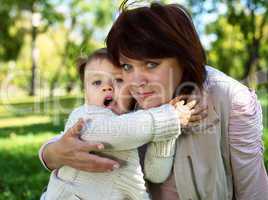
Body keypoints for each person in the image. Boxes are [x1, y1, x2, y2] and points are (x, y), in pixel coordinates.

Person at [39, 1, 268, 200]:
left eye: (151, 64)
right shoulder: (126, 95)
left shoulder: (231, 99)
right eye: (127, 66)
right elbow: (90, 125)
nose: (136, 81)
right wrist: (51, 154)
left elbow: (253, 191)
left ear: (182, 58)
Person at [40, 48, 198, 200]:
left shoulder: (134, 124)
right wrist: (169, 117)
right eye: (96, 82)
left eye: (118, 80)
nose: (107, 87)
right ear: (85, 93)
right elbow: (118, 131)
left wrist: (166, 135)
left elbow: (157, 174)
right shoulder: (85, 117)